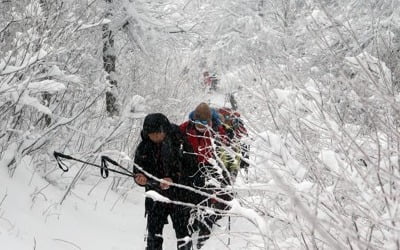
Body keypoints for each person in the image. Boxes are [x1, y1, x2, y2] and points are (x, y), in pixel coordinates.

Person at [133, 113, 203, 250]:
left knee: (183, 236)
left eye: (158, 133)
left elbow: (192, 169)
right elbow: (137, 169)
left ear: (164, 130)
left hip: (179, 196)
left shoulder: (180, 142)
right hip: (155, 197)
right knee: (153, 237)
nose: (155, 137)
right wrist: (139, 178)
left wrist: (173, 179)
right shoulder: (144, 146)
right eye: (151, 134)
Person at [179, 103, 231, 249]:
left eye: (204, 124)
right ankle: (191, 224)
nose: (201, 127)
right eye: (198, 124)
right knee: (189, 197)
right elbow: (173, 136)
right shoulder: (185, 128)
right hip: (190, 167)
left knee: (209, 198)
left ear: (209, 122)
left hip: (210, 167)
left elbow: (225, 146)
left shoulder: (216, 129)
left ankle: (205, 231)